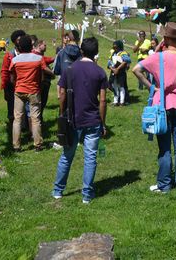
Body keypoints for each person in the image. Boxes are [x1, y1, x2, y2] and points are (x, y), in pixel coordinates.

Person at [133, 22, 176, 193]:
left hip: (162, 106)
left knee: (165, 147)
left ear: (166, 38)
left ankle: (164, 184)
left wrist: (151, 87)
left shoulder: (158, 57)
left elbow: (136, 69)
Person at [52, 37, 108, 204]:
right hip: (92, 120)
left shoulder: (70, 69)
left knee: (66, 156)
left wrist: (62, 114)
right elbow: (103, 100)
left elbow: (61, 95)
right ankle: (86, 194)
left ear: (81, 51)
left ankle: (58, 190)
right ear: (96, 52)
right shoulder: (99, 72)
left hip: (72, 119)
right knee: (90, 157)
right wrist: (103, 123)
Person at [9, 35, 54, 151]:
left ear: (19, 46)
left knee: (17, 119)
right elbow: (42, 75)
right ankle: (38, 144)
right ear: (31, 46)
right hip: (33, 91)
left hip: (19, 91)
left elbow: (12, 78)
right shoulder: (38, 59)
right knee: (35, 118)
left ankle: (16, 146)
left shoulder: (14, 60)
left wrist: (16, 86)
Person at [0, 29, 26, 146]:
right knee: (12, 110)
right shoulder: (9, 56)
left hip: (25, 86)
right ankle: (13, 132)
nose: (21, 41)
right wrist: (5, 86)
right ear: (15, 41)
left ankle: (25, 130)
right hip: (11, 87)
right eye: (19, 39)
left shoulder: (28, 53)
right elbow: (4, 72)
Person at [31, 36, 56, 122]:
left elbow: (47, 60)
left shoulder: (39, 55)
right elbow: (44, 65)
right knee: (40, 102)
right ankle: (38, 121)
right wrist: (53, 73)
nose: (46, 47)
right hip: (41, 82)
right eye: (44, 45)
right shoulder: (36, 55)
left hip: (41, 82)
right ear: (39, 45)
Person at [108, 40, 131, 106]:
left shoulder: (123, 53)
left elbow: (126, 61)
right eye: (114, 47)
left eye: (116, 47)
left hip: (121, 73)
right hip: (113, 72)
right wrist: (113, 69)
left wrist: (117, 69)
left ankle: (122, 101)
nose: (115, 49)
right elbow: (109, 62)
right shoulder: (113, 53)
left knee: (121, 86)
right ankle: (115, 101)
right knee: (114, 86)